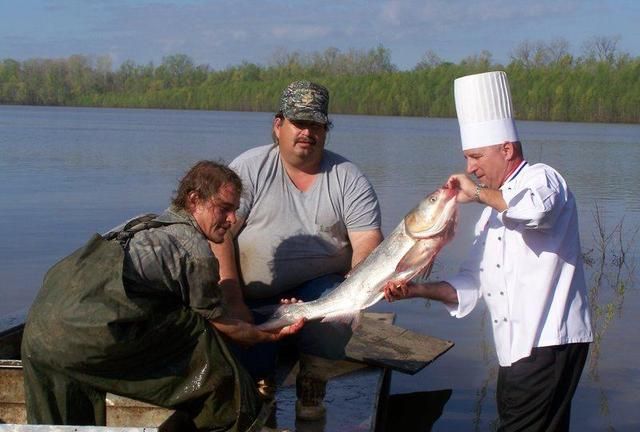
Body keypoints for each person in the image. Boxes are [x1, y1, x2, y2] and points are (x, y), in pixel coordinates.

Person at [21, 160, 303, 432]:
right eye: (224, 209)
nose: (232, 220)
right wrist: (267, 334)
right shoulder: (194, 250)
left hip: (37, 333)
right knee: (202, 337)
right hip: (89, 336)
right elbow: (225, 327)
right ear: (194, 200)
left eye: (235, 210)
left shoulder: (141, 224)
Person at [383, 71, 593, 432]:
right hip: (514, 351)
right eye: (467, 158)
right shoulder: (489, 220)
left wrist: (476, 194)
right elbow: (471, 283)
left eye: (476, 156)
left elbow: (534, 211)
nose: (470, 168)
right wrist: (416, 290)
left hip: (550, 341)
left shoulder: (542, 179)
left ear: (507, 149)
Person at [212, 80, 383, 421]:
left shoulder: (348, 177)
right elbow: (219, 236)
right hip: (253, 298)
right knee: (248, 358)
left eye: (316, 125)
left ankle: (313, 384)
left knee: (337, 308)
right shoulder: (249, 168)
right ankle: (262, 392)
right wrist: (233, 300)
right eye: (299, 123)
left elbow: (367, 245)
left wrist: (358, 285)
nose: (307, 132)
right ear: (278, 125)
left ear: (326, 129)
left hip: (319, 295)